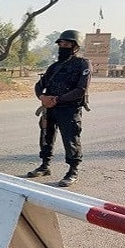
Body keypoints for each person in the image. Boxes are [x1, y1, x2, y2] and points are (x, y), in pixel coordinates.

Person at [27, 29, 92, 187]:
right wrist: (42, 97)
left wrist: (57, 99)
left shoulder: (82, 64)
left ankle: (73, 171)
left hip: (69, 109)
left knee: (70, 140)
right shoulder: (54, 67)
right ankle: (45, 165)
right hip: (50, 109)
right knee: (45, 137)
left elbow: (81, 90)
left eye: (67, 44)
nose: (63, 47)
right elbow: (39, 85)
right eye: (61, 44)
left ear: (75, 46)